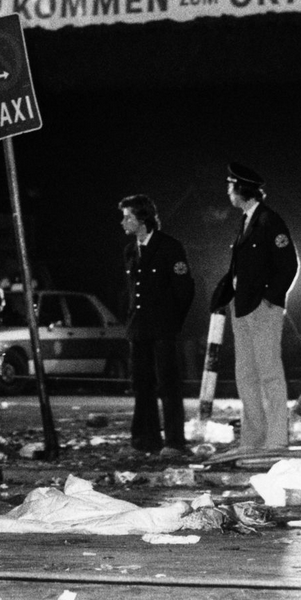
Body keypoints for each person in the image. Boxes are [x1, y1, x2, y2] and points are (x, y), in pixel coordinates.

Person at [210, 163, 299, 453]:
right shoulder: (247, 221)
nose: (228, 192)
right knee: (245, 375)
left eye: (230, 186)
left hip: (262, 308)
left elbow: (288, 265)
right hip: (242, 306)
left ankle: (276, 439)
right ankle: (253, 439)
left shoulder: (269, 221)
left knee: (270, 374)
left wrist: (271, 299)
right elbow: (243, 267)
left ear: (242, 189)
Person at [118, 194, 195, 456]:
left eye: (128, 216)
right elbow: (131, 292)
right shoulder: (131, 251)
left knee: (169, 386)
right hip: (139, 329)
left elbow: (184, 290)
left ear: (143, 220)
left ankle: (175, 442)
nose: (123, 222)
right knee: (142, 386)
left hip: (163, 329)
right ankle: (144, 440)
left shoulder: (169, 247)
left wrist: (172, 323)